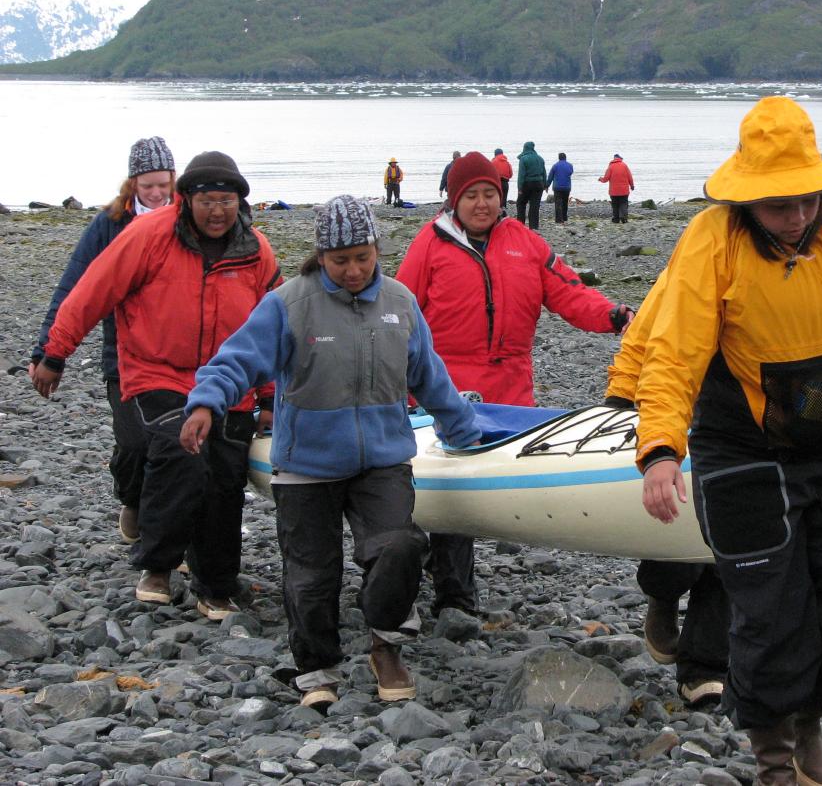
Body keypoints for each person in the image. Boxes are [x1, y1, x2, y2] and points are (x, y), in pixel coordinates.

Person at [634, 97, 822, 786]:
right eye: (779, 204)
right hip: (742, 455)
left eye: (806, 201)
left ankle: (809, 719)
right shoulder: (711, 239)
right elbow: (672, 353)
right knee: (770, 620)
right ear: (749, 196)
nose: (796, 217)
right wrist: (662, 450)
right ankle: (774, 762)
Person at [181, 195, 481, 710]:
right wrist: (206, 404)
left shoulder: (400, 303)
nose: (353, 270)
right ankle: (316, 667)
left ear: (376, 249)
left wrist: (463, 429)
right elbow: (236, 360)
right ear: (321, 256)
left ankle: (385, 641)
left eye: (362, 257)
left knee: (400, 547)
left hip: (383, 461)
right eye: (340, 260)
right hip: (306, 466)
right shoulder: (289, 304)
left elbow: (430, 377)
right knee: (312, 575)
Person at [33, 151, 281, 619]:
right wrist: (54, 352)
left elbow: (273, 331)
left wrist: (269, 397)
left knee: (226, 478)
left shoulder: (256, 251)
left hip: (231, 381)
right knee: (181, 453)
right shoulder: (148, 236)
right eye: (207, 199)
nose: (217, 211)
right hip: (158, 372)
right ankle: (159, 564)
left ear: (240, 203)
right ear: (186, 199)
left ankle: (216, 583)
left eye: (226, 200)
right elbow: (91, 291)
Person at [397, 151, 634, 617]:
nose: (481, 204)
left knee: (487, 489)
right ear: (454, 200)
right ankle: (455, 596)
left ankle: (445, 568)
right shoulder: (429, 244)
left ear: (501, 196)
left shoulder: (524, 242)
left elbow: (568, 292)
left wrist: (612, 315)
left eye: (489, 194)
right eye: (471, 196)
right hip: (445, 390)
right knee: (452, 493)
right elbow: (400, 315)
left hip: (510, 391)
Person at [30, 136, 175, 545]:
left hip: (179, 353)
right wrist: (48, 352)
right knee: (133, 443)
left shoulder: (187, 219)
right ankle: (131, 498)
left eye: (164, 184)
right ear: (133, 184)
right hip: (123, 354)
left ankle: (163, 537)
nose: (157, 193)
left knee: (172, 446)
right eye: (148, 185)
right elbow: (73, 288)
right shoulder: (109, 225)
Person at [605, 272, 729, 709]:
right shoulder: (695, 265)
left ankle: (705, 665)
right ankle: (663, 591)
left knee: (731, 539)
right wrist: (620, 400)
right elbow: (643, 338)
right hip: (674, 406)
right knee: (674, 516)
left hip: (748, 420)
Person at [515, 140, 548, 230]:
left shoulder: (523, 159)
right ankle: (533, 226)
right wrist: (545, 185)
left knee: (521, 203)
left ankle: (520, 225)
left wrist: (520, 188)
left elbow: (521, 175)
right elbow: (544, 173)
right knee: (535, 205)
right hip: (539, 184)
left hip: (527, 183)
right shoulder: (540, 158)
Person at [599, 153, 634, 223]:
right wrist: (632, 186)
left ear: (614, 159)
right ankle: (624, 218)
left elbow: (606, 179)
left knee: (615, 205)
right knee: (624, 204)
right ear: (620, 159)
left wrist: (601, 179)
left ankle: (616, 219)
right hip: (624, 191)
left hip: (613, 191)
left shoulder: (610, 167)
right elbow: (630, 177)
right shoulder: (624, 166)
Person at [548, 152, 574, 224]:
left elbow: (550, 177)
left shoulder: (555, 166)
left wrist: (546, 185)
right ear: (565, 158)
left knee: (558, 203)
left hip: (557, 187)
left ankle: (559, 219)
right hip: (567, 187)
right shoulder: (570, 165)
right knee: (565, 202)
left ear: (559, 158)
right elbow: (571, 172)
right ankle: (564, 217)